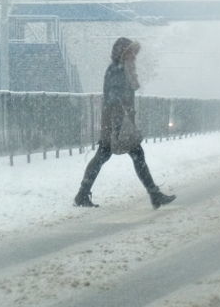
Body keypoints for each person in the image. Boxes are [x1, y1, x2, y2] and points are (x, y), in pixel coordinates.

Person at [73, 37, 175, 209]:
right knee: (133, 156)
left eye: (135, 53)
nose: (134, 57)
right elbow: (113, 98)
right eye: (131, 53)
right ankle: (154, 194)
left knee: (105, 156)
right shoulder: (117, 71)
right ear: (122, 53)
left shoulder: (123, 70)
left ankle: (82, 194)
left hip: (117, 121)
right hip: (116, 123)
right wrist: (119, 123)